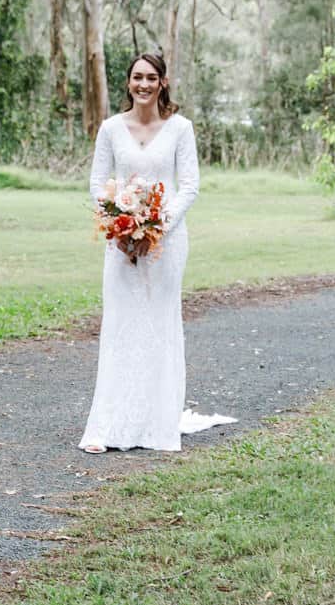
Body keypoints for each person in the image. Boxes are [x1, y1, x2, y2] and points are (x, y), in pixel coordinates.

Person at [79, 53, 230, 453]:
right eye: (136, 78)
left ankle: (156, 425)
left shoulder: (181, 128)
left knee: (159, 324)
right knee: (122, 324)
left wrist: (158, 224)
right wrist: (119, 221)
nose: (143, 84)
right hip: (121, 241)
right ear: (128, 83)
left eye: (150, 78)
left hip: (167, 240)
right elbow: (97, 182)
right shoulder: (111, 128)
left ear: (163, 82)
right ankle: (109, 427)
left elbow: (190, 185)